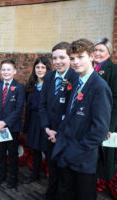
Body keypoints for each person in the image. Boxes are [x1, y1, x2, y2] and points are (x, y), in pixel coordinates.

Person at [51, 39, 112, 200]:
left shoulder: (100, 87)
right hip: (66, 151)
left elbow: (99, 130)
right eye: (72, 58)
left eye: (80, 57)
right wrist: (60, 137)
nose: (75, 62)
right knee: (64, 194)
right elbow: (69, 114)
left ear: (92, 56)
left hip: (83, 159)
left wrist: (73, 152)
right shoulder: (77, 82)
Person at [38, 42, 79, 200]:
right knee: (52, 167)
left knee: (65, 172)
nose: (58, 61)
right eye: (54, 58)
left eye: (62, 57)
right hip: (50, 133)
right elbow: (43, 105)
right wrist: (47, 128)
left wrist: (59, 133)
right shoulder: (48, 76)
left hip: (65, 134)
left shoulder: (75, 78)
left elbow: (72, 110)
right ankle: (51, 193)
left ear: (70, 58)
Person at [0, 60, 25, 189]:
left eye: (9, 69)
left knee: (12, 153)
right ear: (0, 71)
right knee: (1, 152)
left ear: (14, 71)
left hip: (12, 127)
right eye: (3, 69)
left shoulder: (19, 87)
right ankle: (2, 174)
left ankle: (13, 176)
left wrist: (5, 122)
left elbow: (19, 109)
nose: (6, 72)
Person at [94, 37, 117, 181]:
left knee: (103, 159)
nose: (97, 53)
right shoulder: (87, 68)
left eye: (101, 50)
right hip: (88, 120)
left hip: (105, 123)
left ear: (109, 52)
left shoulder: (115, 70)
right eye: (95, 50)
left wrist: (110, 127)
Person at [22, 56, 52, 184]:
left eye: (43, 67)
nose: (40, 70)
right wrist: (27, 126)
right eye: (37, 67)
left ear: (47, 69)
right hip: (33, 121)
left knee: (48, 151)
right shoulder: (31, 85)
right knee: (35, 150)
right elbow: (27, 107)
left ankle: (52, 178)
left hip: (46, 123)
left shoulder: (51, 85)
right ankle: (34, 174)